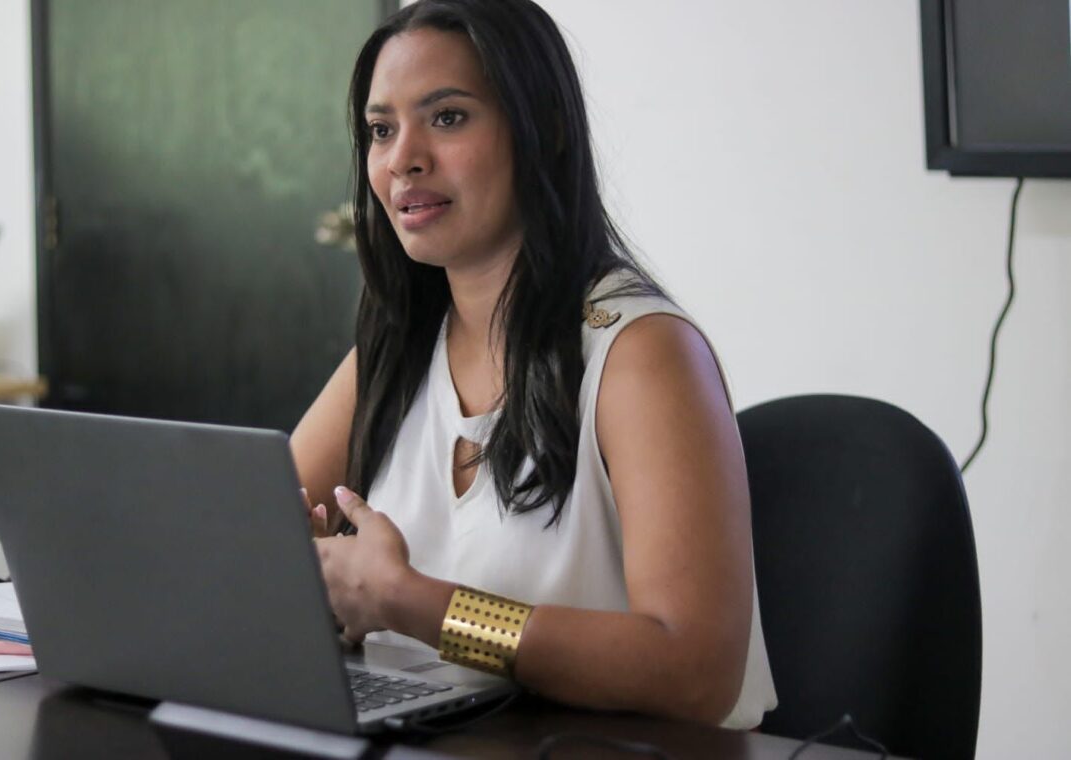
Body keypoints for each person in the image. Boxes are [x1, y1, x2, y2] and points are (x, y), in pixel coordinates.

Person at [290, 0, 776, 729]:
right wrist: (309, 580)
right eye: (381, 130)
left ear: (541, 131)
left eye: (447, 118)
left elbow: (694, 669)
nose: (403, 159)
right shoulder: (395, 346)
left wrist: (410, 602)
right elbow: (256, 539)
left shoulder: (641, 353)